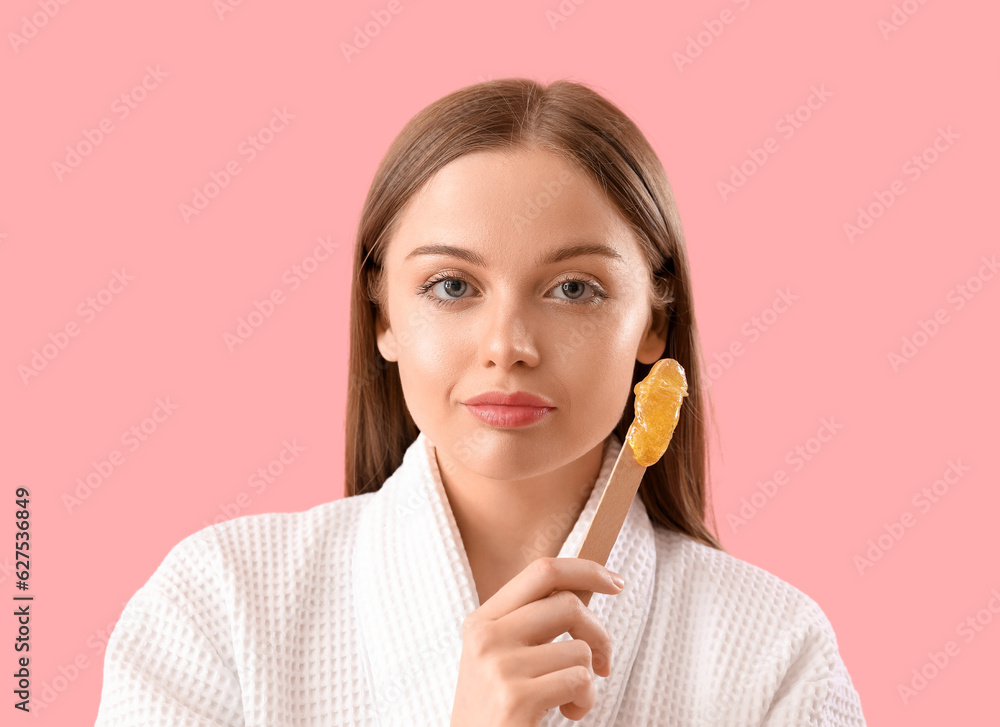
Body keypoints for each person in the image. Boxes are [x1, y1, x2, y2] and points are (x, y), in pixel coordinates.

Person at [94, 78, 867, 726]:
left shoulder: (775, 653)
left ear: (653, 323)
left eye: (573, 289)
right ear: (384, 317)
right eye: (452, 287)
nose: (508, 344)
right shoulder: (217, 609)